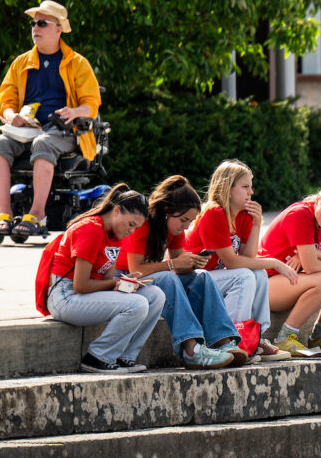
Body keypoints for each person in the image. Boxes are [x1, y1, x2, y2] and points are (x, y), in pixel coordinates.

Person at [0, 0, 102, 239]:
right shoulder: (21, 62)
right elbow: (6, 99)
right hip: (27, 129)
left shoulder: (78, 63)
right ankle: (4, 214)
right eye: (33, 23)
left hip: (64, 131)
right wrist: (12, 116)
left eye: (42, 23)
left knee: (42, 143)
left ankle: (37, 215)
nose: (35, 28)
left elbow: (91, 105)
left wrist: (73, 112)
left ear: (58, 28)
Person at [116, 177, 248, 369]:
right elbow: (136, 269)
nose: (186, 226)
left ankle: (223, 342)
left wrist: (193, 263)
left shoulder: (174, 230)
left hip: (149, 278)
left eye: (190, 221)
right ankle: (191, 350)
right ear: (166, 212)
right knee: (168, 278)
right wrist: (172, 264)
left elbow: (178, 265)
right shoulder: (143, 223)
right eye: (183, 220)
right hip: (126, 279)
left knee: (202, 277)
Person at [38, 185, 164, 373]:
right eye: (131, 224)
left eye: (136, 228)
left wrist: (126, 282)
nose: (131, 232)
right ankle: (98, 357)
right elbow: (80, 285)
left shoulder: (115, 235)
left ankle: (124, 356)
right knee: (137, 304)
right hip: (65, 297)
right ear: (117, 210)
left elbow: (105, 280)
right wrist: (116, 283)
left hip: (82, 295)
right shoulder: (91, 229)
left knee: (155, 295)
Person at [184, 160, 295, 361]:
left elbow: (248, 258)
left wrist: (256, 224)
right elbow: (232, 262)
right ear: (227, 187)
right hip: (194, 282)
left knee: (258, 274)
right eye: (245, 187)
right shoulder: (214, 212)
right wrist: (274, 262)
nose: (251, 192)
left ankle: (256, 339)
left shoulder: (243, 215)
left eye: (251, 187)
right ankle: (231, 340)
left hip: (216, 279)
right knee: (244, 275)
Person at [260, 181, 321, 355]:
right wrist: (313, 257)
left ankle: (320, 335)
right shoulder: (300, 215)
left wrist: (314, 252)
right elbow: (312, 268)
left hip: (291, 281)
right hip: (265, 284)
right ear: (318, 199)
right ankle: (284, 337)